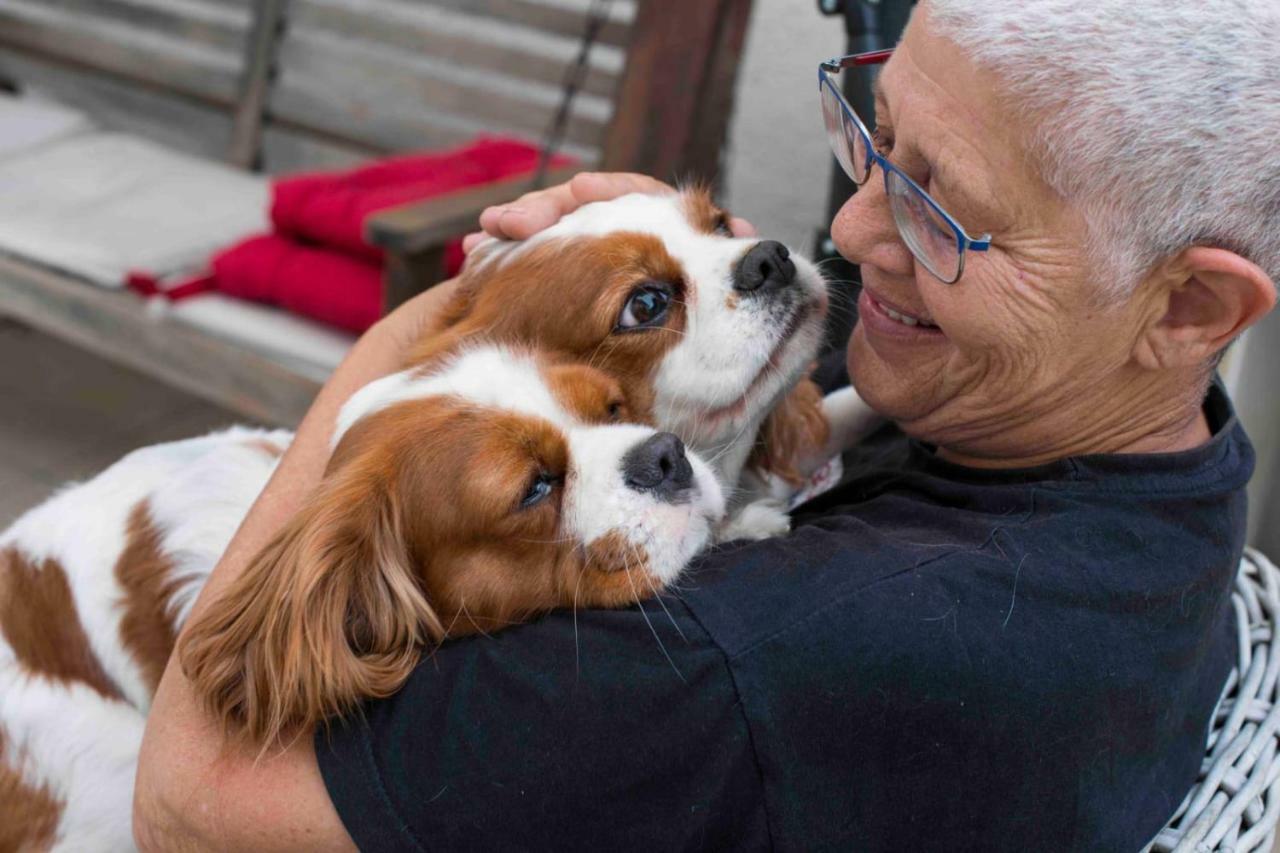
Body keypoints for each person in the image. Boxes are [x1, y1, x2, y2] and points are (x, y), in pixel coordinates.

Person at [134, 1, 1280, 849]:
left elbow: (190, 800)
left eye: (941, 208)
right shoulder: (1158, 462)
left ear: (1188, 305)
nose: (852, 224)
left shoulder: (751, 658)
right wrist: (689, 272)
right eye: (872, 138)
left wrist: (428, 342)